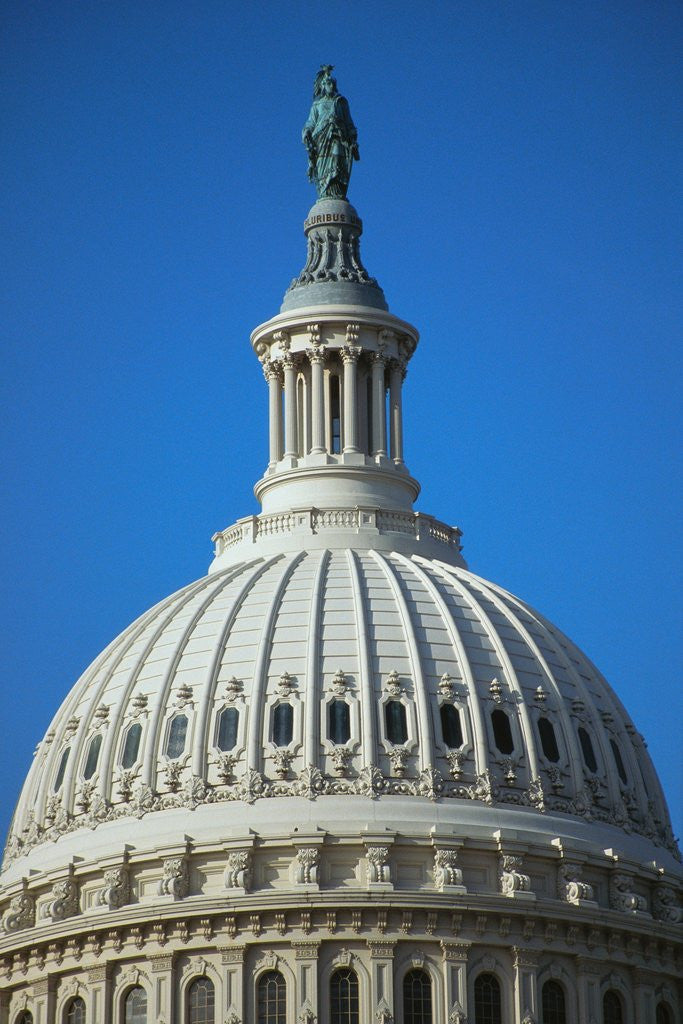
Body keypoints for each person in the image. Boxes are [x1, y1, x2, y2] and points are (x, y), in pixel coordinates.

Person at [302, 65, 359, 199]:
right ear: (322, 86)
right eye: (328, 83)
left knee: (337, 162)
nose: (331, 86)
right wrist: (306, 131)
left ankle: (337, 191)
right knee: (323, 166)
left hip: (337, 137)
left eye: (333, 83)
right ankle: (324, 192)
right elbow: (311, 122)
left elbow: (349, 121)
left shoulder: (341, 102)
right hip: (321, 139)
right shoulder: (317, 105)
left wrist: (352, 135)